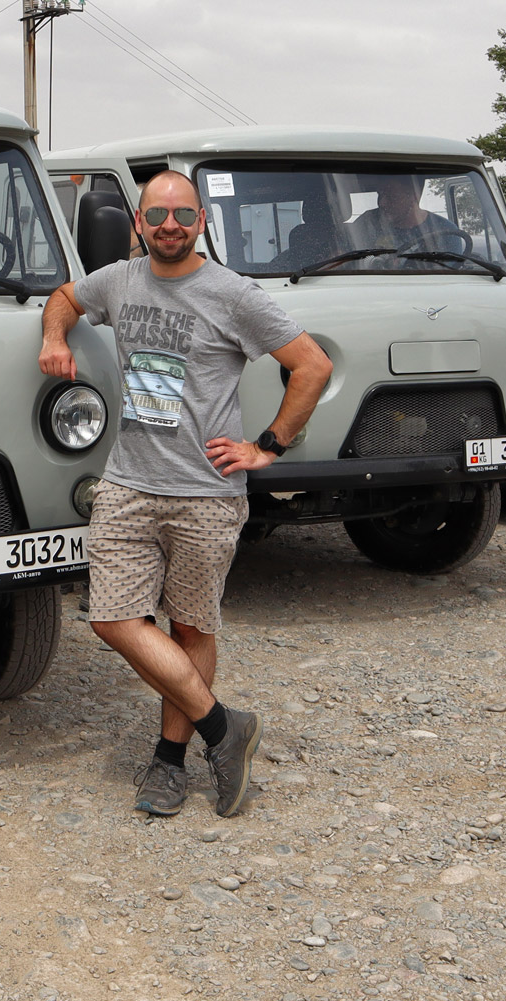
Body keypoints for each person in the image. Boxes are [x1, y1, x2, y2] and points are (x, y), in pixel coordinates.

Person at [38, 171, 332, 818]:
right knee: (114, 618)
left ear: (201, 220)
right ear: (138, 223)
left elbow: (312, 365)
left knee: (192, 625)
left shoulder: (233, 294)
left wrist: (270, 445)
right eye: (157, 214)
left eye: (182, 213)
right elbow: (63, 296)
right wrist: (54, 336)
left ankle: (170, 763)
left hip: (207, 491)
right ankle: (225, 729)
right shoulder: (117, 278)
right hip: (129, 482)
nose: (169, 224)